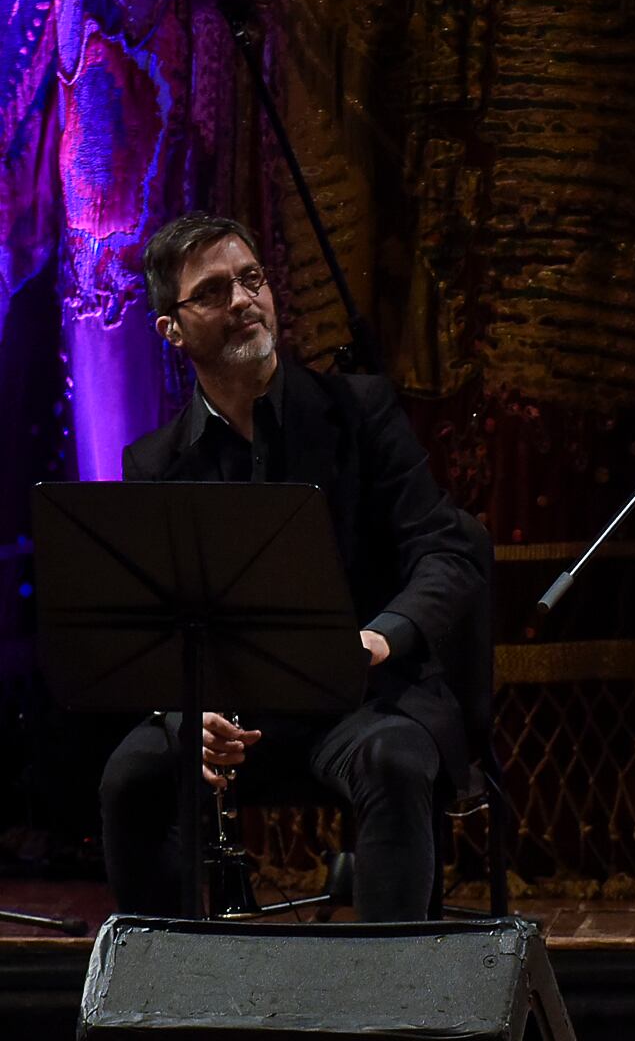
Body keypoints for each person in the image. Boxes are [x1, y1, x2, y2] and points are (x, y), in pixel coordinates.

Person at [97, 213, 486, 921]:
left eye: (252, 280)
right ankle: (169, 1002)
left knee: (395, 761)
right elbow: (154, 624)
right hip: (242, 717)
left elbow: (447, 550)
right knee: (132, 775)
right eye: (213, 292)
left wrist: (380, 636)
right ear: (171, 330)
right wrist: (188, 711)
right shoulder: (155, 464)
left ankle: (391, 1014)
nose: (244, 300)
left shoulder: (360, 411)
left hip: (364, 701)